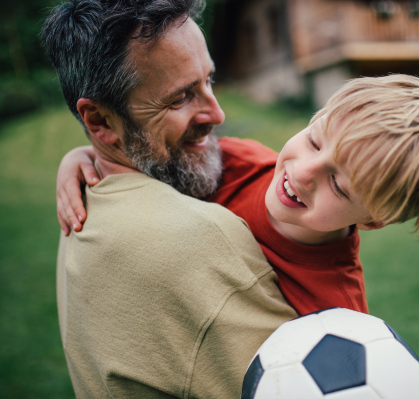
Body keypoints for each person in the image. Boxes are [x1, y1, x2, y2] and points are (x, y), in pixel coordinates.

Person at [57, 74, 419, 316]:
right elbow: (148, 160)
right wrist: (86, 156)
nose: (304, 170)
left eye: (338, 184)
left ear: (373, 219)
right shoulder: (239, 161)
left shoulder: (334, 309)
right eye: (314, 141)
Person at [42, 0, 297, 397]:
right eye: (179, 99)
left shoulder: (85, 201)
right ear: (99, 121)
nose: (217, 113)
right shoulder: (198, 236)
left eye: (208, 81)